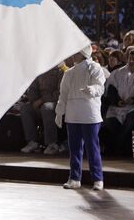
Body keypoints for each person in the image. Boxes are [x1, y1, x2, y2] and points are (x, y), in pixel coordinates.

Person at [55, 45, 105, 191]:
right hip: (73, 115)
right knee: (75, 148)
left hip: (89, 114)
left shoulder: (94, 68)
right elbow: (63, 94)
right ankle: (75, 178)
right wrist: (59, 112)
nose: (73, 55)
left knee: (92, 147)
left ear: (83, 53)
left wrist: (93, 89)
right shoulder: (69, 73)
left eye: (76, 52)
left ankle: (98, 178)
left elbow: (100, 87)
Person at [20, 66, 65, 155]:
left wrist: (42, 100)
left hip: (57, 103)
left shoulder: (61, 71)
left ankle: (52, 143)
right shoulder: (41, 71)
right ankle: (32, 142)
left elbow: (60, 92)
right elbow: (33, 89)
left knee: (46, 108)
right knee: (25, 108)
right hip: (40, 102)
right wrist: (33, 101)